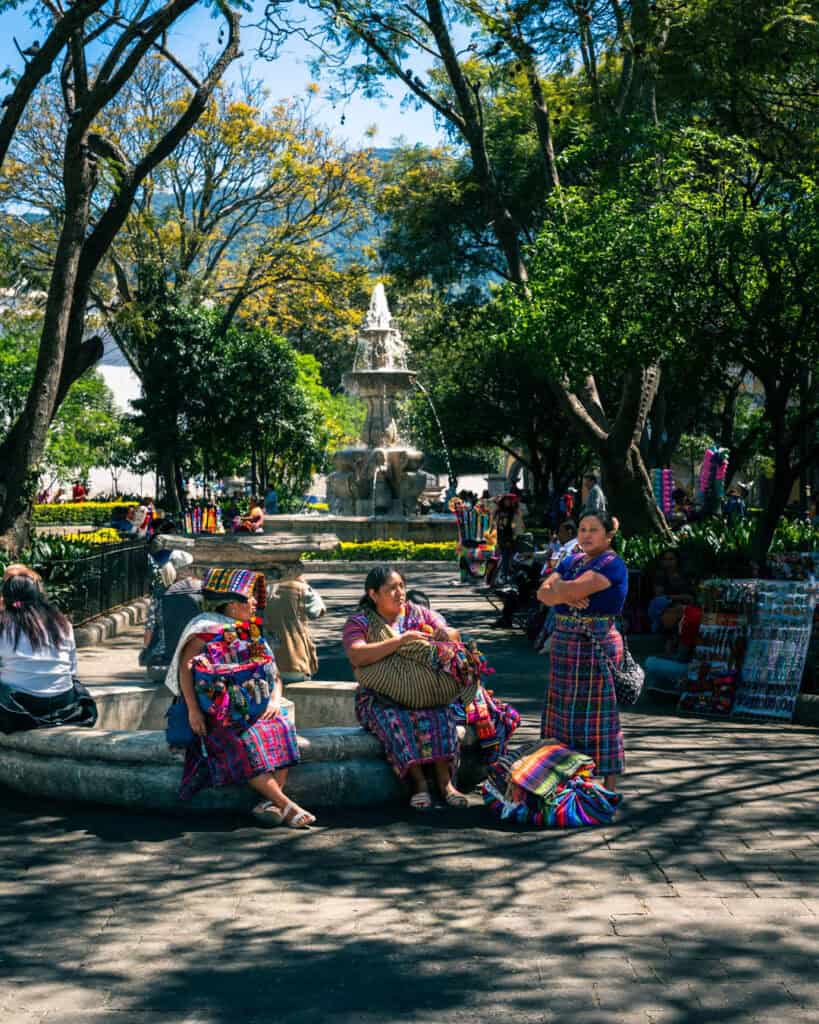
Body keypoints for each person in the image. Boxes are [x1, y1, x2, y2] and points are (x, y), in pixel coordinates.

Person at [343, 567, 519, 810]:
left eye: (401, 586)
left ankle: (446, 784)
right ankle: (419, 785)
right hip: (381, 697)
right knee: (397, 720)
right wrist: (399, 642)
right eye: (391, 589)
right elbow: (357, 654)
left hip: (427, 694)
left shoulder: (419, 614)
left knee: (441, 716)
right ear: (373, 594)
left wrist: (446, 634)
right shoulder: (361, 621)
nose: (399, 593)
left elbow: (451, 632)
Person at [164, 567, 314, 828]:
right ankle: (287, 805)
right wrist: (193, 710)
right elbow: (185, 669)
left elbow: (273, 673)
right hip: (218, 713)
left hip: (254, 708)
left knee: (282, 727)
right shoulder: (204, 628)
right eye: (249, 598)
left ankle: (271, 802)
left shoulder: (249, 631)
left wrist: (274, 700)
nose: (255, 602)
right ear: (233, 605)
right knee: (248, 743)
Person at [537, 511, 627, 790]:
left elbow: (561, 590)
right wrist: (561, 591)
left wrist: (560, 590)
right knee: (562, 712)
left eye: (593, 530)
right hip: (565, 643)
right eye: (582, 529)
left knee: (599, 712)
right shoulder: (573, 560)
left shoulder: (612, 564)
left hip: (595, 643)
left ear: (609, 534)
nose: (586, 535)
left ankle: (609, 785)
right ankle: (564, 778)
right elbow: (542, 592)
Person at [0, 573, 97, 733]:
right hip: (65, 704)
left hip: (21, 709)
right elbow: (72, 671)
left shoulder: (4, 626)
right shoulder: (62, 623)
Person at [264, 570, 326, 683]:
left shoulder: (257, 587)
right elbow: (317, 610)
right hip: (293, 660)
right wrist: (305, 584)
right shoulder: (299, 588)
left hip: (261, 661)